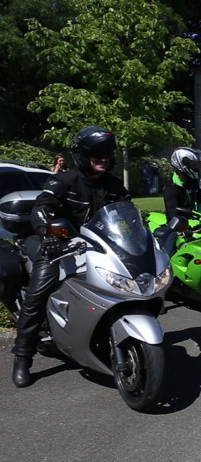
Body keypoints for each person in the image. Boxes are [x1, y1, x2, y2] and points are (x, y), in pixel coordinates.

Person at [12, 126, 131, 388]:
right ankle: (23, 357)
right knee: (38, 292)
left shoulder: (113, 184)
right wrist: (49, 235)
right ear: (83, 155)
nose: (104, 158)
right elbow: (42, 208)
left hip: (100, 246)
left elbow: (129, 213)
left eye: (107, 153)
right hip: (59, 244)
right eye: (96, 153)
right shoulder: (63, 181)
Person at [163, 147, 201, 222]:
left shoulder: (193, 182)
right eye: (193, 165)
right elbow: (172, 214)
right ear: (181, 164)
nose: (196, 168)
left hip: (197, 223)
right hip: (180, 227)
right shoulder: (171, 188)